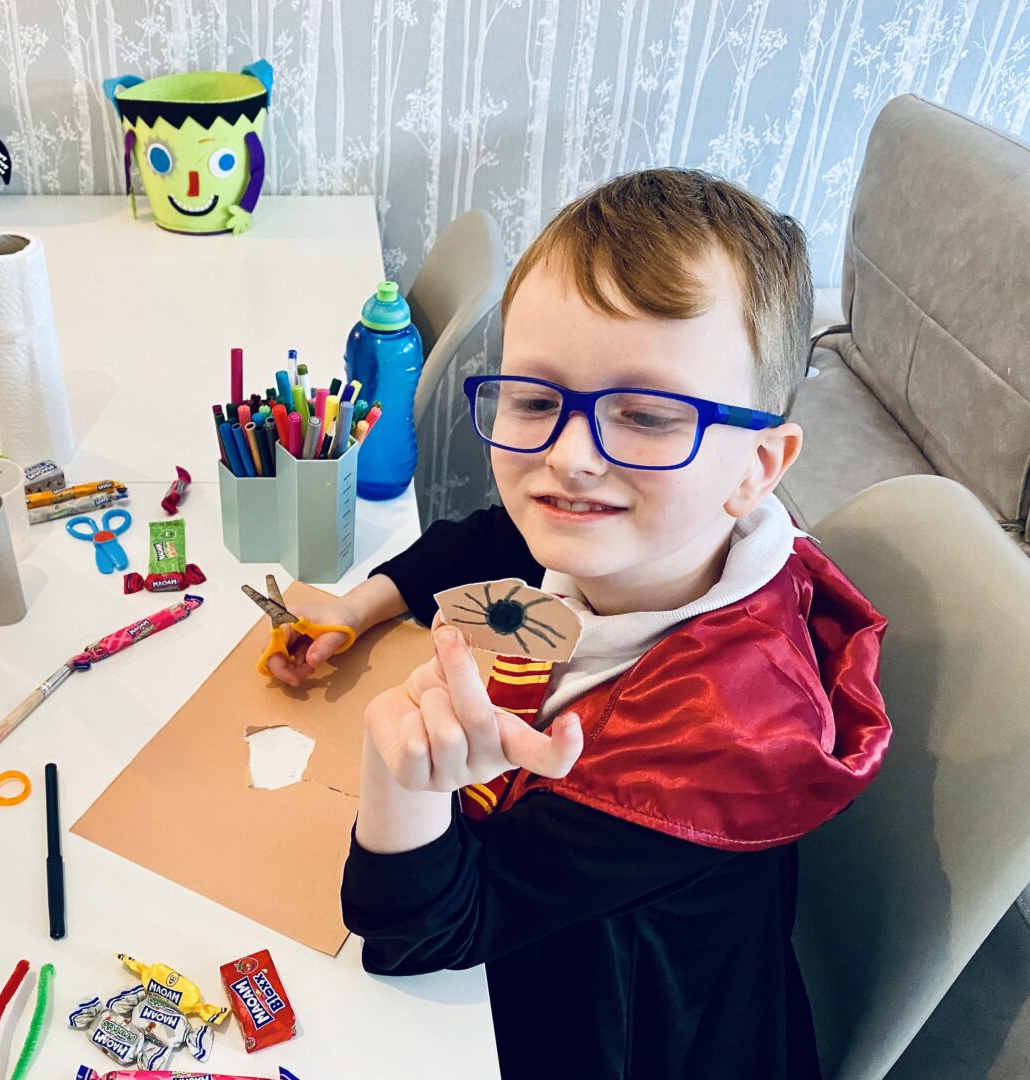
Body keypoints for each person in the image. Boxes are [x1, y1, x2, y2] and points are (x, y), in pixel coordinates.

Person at [266, 169, 892, 1079]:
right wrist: (363, 605)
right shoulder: (653, 536)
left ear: (757, 465)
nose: (569, 455)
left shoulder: (718, 731)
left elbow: (424, 933)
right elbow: (497, 540)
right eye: (533, 399)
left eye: (645, 414)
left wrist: (398, 779)